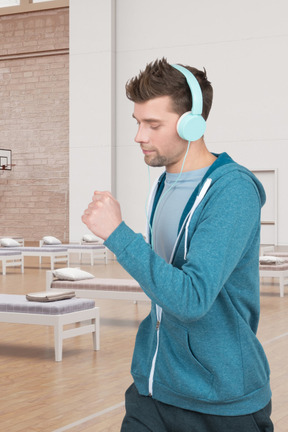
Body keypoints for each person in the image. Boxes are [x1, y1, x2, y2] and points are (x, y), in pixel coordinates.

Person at [82, 58, 273, 431]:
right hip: (154, 389)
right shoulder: (165, 184)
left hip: (220, 402)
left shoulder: (231, 191)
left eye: (153, 124)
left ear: (192, 124)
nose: (140, 135)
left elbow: (192, 299)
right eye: (138, 122)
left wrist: (118, 234)